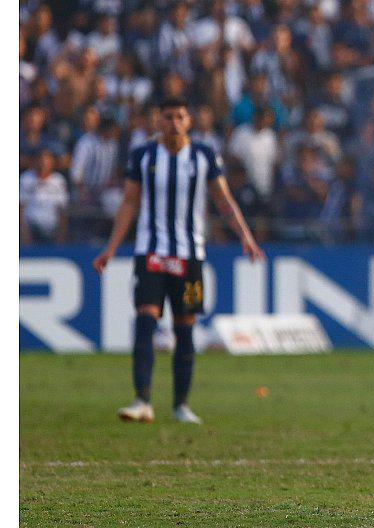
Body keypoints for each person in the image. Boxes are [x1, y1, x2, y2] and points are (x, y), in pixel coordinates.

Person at [93, 97, 265, 425]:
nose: (173, 122)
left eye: (180, 117)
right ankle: (142, 400)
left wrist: (246, 236)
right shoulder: (143, 156)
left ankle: (180, 405)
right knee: (146, 320)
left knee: (185, 328)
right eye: (167, 116)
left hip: (189, 260)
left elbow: (223, 200)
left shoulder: (203, 156)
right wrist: (111, 248)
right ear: (158, 121)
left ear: (189, 121)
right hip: (152, 254)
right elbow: (129, 203)